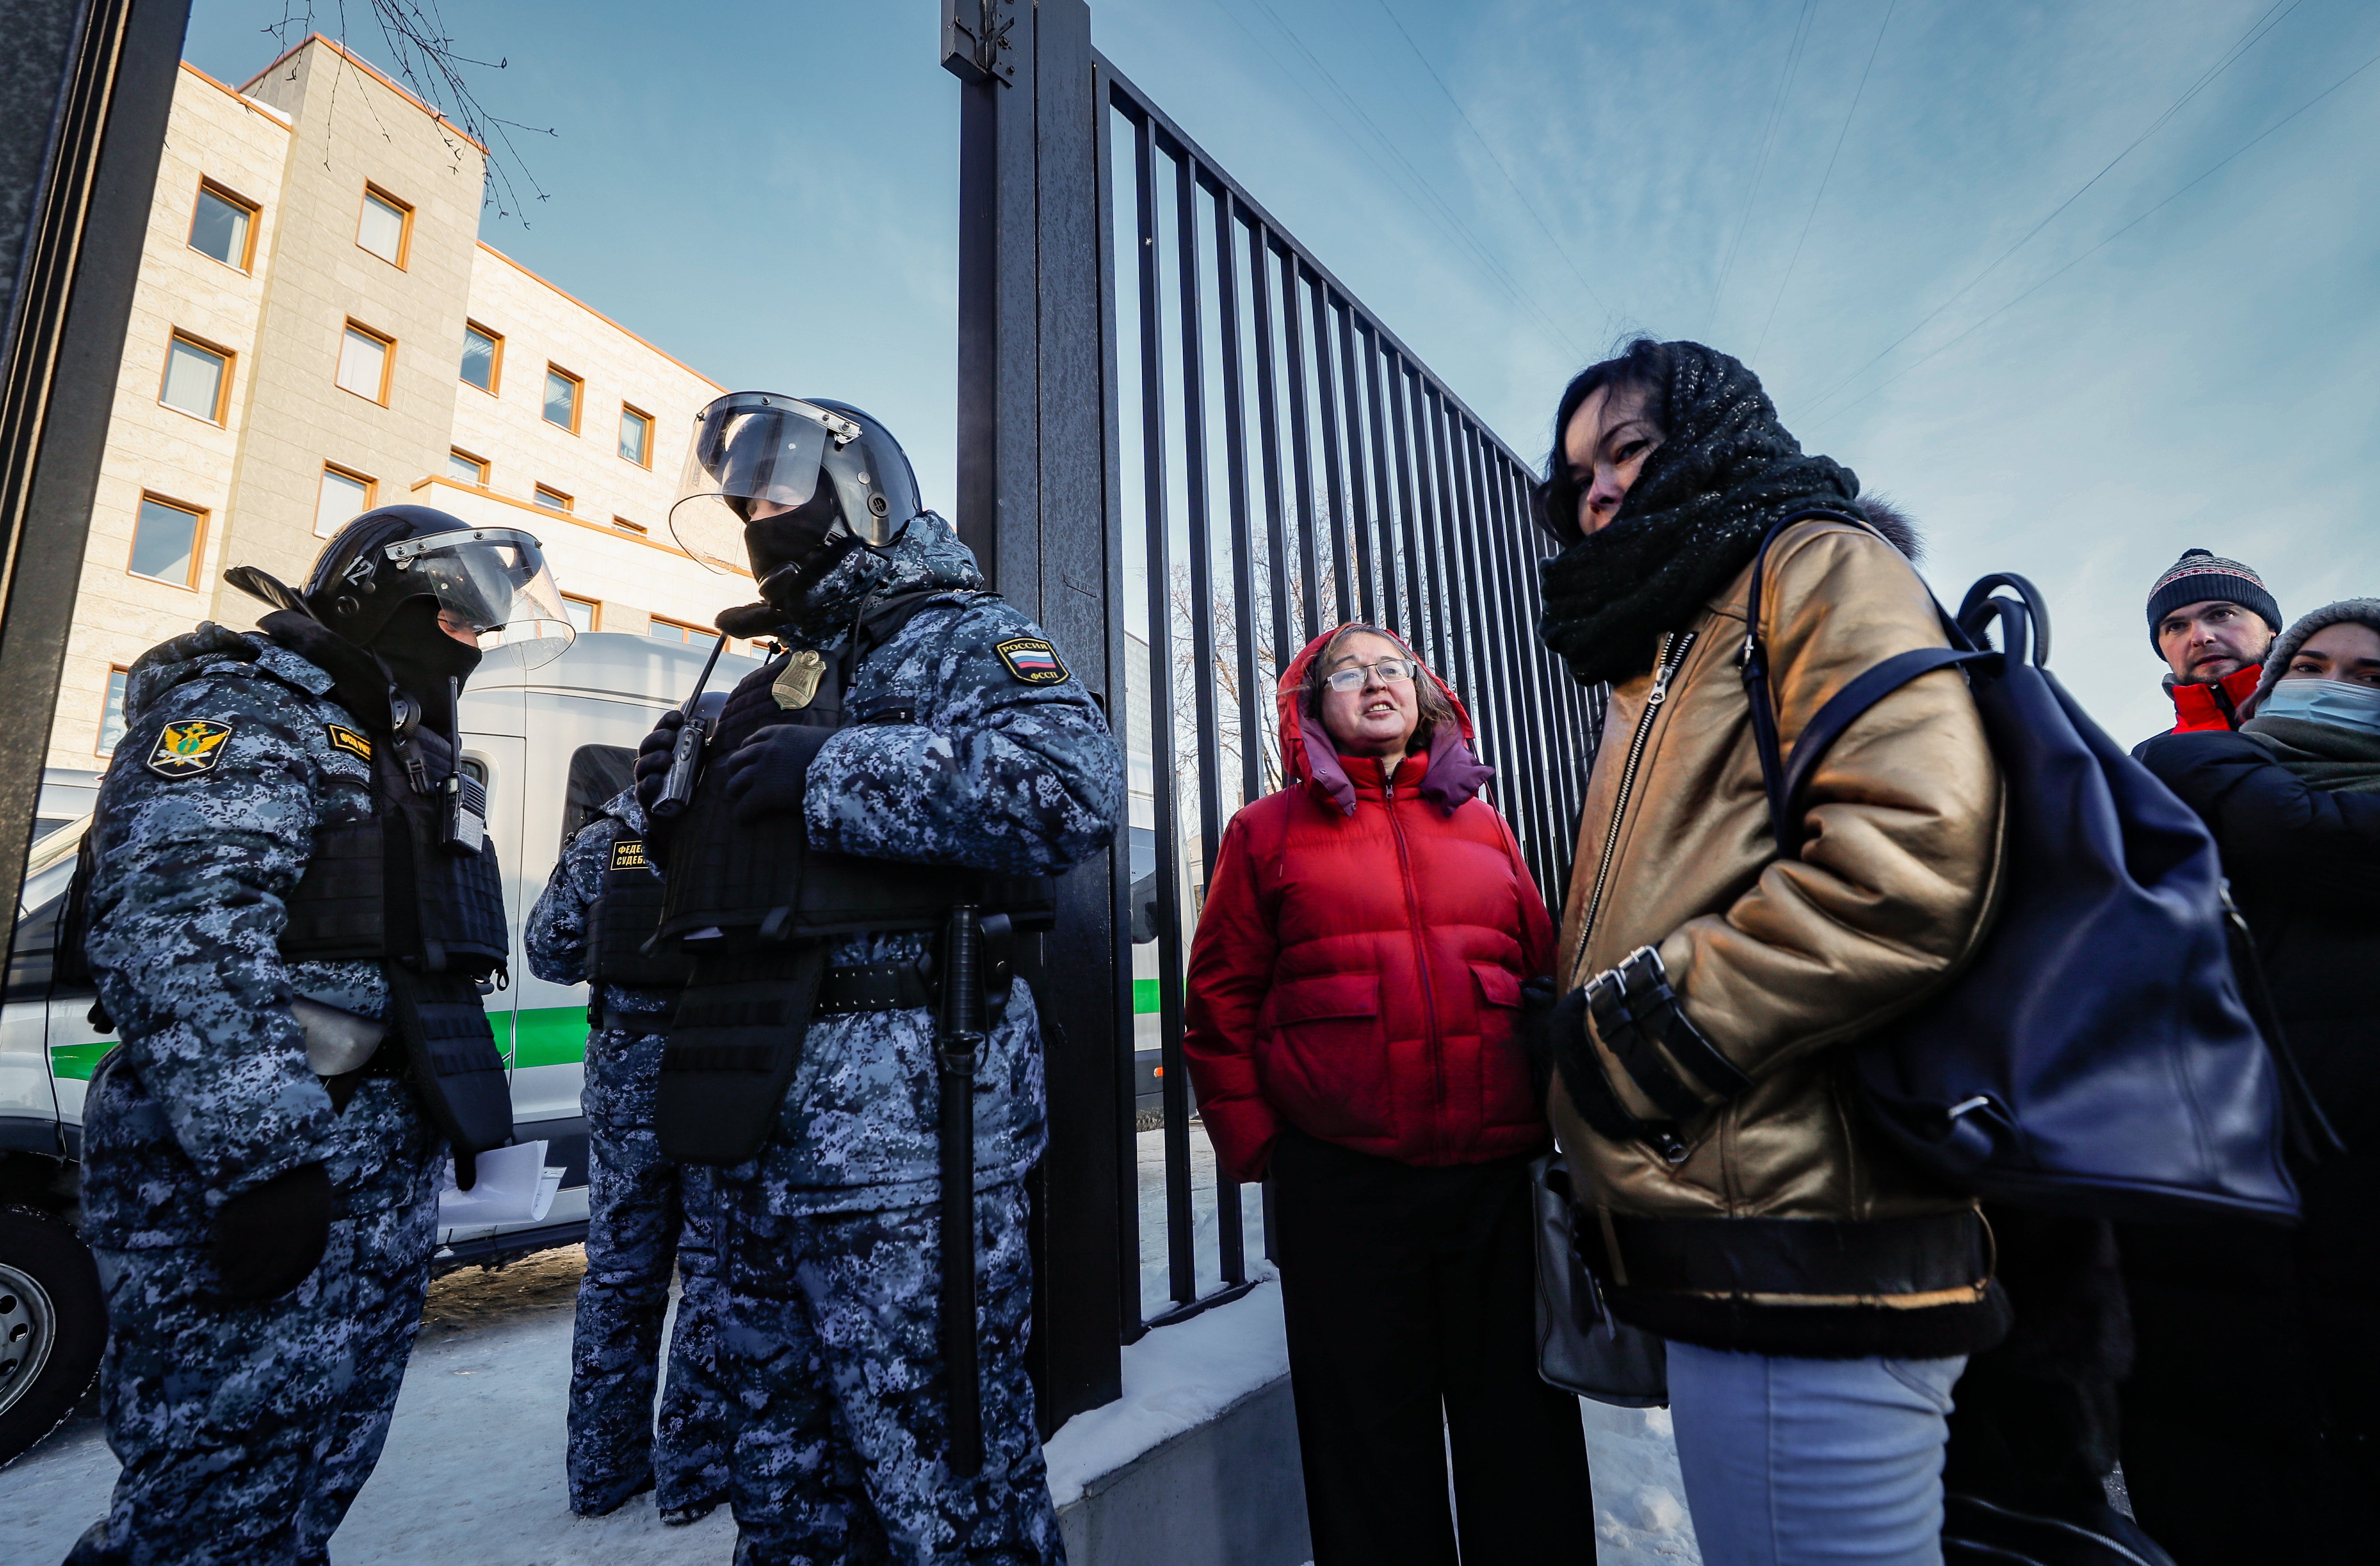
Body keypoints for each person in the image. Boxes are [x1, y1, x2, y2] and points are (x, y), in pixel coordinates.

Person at [1534, 339, 2004, 1566]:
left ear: (1715, 432)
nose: (1594, 490)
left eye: (1625, 448)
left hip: (1810, 1246)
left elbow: (1906, 860)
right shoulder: (1664, 645)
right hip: (1742, 1234)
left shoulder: (1812, 561)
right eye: (1574, 473)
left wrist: (1628, 1047)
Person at [631, 392, 1122, 1564]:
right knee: (788, 1507)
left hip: (904, 1162)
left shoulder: (966, 635)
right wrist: (673, 807)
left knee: (950, 1501)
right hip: (746, 1143)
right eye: (742, 507)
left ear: (860, 497)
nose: (758, 526)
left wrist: (834, 771)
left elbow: (1071, 786)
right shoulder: (766, 675)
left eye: (777, 499)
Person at [65, 507, 563, 1565]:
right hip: (254, 1178)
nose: (476, 643)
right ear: (392, 600)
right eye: (463, 615)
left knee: (306, 1482)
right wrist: (265, 1161)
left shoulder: (394, 748)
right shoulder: (247, 707)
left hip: (367, 1188)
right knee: (210, 1502)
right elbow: (177, 932)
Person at [1181, 622, 1592, 1566]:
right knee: (1368, 1450)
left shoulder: (1485, 824)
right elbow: (1219, 1002)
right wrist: (1269, 1149)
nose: (1375, 681)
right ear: (1310, 707)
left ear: (1426, 694)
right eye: (1347, 672)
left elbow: (1542, 976)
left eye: (1393, 667)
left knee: (1523, 1439)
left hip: (1499, 1186)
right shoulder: (1264, 832)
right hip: (1346, 1188)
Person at [2125, 598, 2380, 1564]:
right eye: (2316, 667)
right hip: (2215, 1244)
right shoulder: (2172, 772)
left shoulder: (2190, 771)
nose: (2338, 688)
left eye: (2369, 678)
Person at [525, 783, 729, 1522]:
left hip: (622, 1077)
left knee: (618, 1276)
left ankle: (603, 1472)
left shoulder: (602, 838)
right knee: (712, 1271)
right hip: (721, 1070)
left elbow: (548, 952)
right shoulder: (740, 824)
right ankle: (693, 1471)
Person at [2144, 548, 2282, 738]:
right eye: (2176, 627)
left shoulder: (2333, 715)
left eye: (2221, 614)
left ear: (2270, 626)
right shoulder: (2146, 763)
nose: (2200, 638)